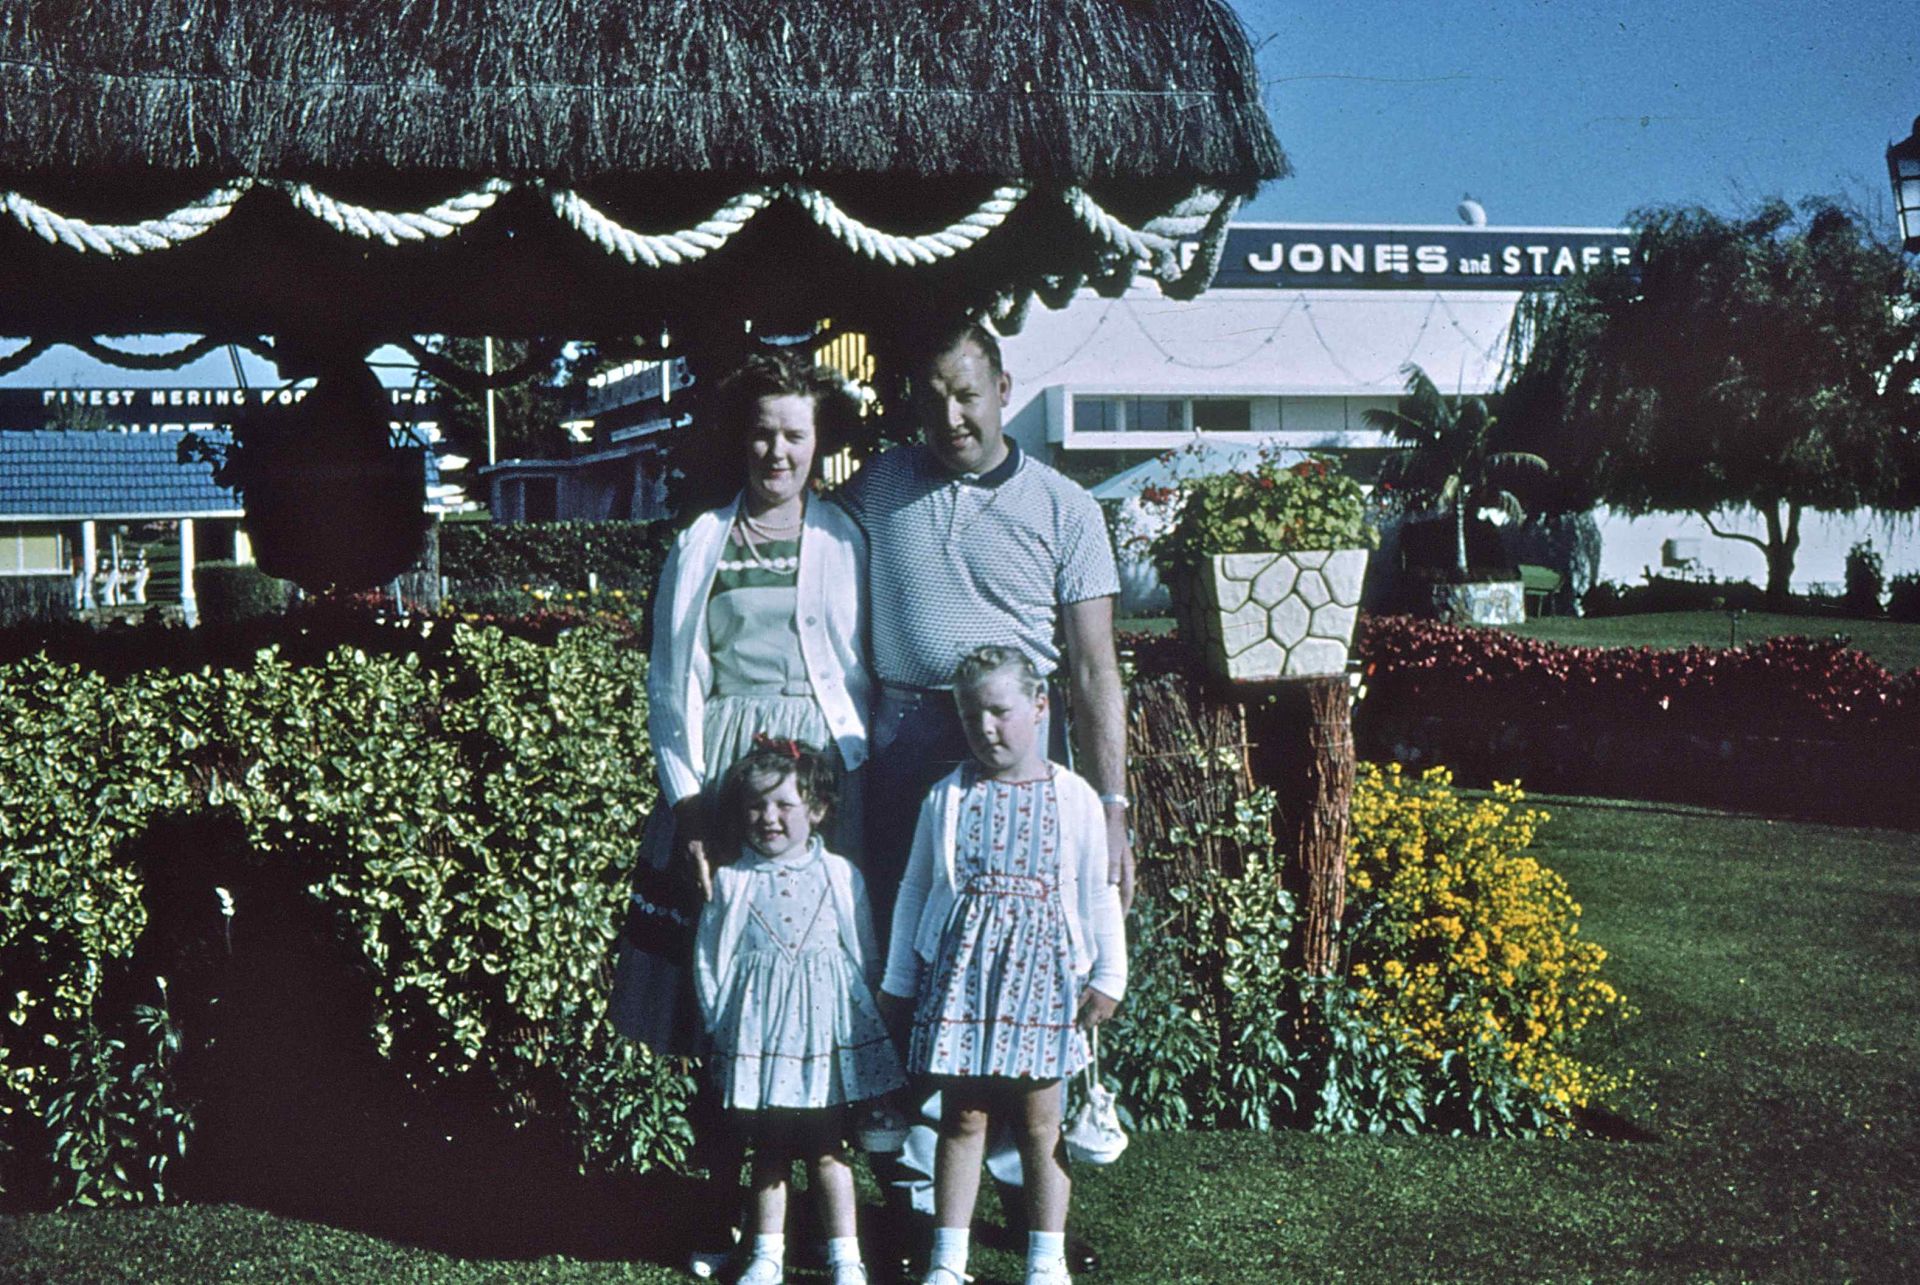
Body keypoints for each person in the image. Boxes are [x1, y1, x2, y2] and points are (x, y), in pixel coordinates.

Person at [836, 318, 1133, 1274]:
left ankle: (1028, 1202)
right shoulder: (878, 486)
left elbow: (1092, 670)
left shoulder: (1066, 505)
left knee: (1026, 979)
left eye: (968, 393)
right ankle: (922, 1203)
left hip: (1019, 756)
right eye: (932, 396)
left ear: (1004, 385)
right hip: (900, 746)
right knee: (917, 975)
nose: (952, 415)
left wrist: (1115, 809)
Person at [878, 647, 1126, 1285]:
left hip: (1045, 981)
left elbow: (1098, 891)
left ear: (1040, 707)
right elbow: (915, 888)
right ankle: (948, 1263)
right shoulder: (948, 797)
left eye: (1000, 711)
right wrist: (900, 980)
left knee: (1041, 1122)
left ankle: (1046, 1263)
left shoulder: (1073, 798)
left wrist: (1109, 977)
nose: (985, 727)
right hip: (963, 979)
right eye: (971, 714)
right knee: (963, 1116)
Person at [696, 740, 907, 1285]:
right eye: (756, 807)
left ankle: (846, 1258)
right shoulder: (734, 882)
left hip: (823, 1039)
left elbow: (865, 954)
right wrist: (722, 1023)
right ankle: (767, 1254)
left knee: (827, 1149)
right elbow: (710, 958)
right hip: (762, 1039)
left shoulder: (840, 875)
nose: (769, 819)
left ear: (815, 810)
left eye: (784, 806)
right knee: (768, 1147)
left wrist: (867, 1025)